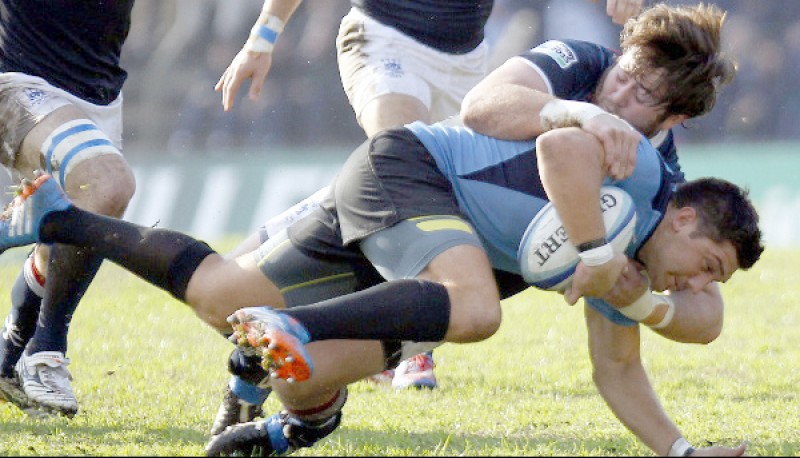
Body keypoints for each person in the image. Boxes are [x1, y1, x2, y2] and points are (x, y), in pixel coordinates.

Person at [0, 115, 763, 457]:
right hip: (409, 182)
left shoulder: (627, 273)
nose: (702, 281)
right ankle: (288, 345)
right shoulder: (633, 183)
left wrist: (684, 454)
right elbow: (560, 141)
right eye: (710, 262)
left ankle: (58, 216)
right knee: (474, 312)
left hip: (413, 259)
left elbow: (622, 367)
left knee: (223, 300)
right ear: (688, 213)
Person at [211, 0, 733, 432]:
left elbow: (703, 310)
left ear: (675, 117)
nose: (617, 90)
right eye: (626, 74)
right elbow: (483, 105)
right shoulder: (582, 63)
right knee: (229, 290)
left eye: (641, 94)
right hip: (419, 166)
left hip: (481, 272)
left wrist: (644, 303)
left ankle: (271, 399)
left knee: (309, 359)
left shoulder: (662, 183)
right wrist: (584, 114)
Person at [0, 1, 138, 417]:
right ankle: (46, 351)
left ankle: (10, 356)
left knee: (75, 225)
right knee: (109, 185)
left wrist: (264, 34)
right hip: (20, 84)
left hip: (99, 97)